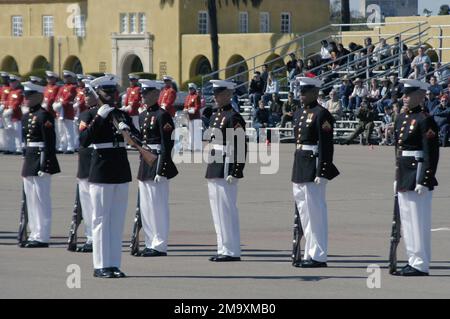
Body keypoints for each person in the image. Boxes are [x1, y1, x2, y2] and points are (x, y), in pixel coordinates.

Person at [80, 75, 139, 278]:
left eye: (114, 91)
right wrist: (100, 117)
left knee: (116, 220)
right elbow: (84, 140)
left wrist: (128, 130)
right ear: (98, 94)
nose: (113, 95)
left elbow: (138, 137)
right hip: (102, 170)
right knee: (101, 219)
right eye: (108, 92)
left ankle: (113, 263)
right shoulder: (90, 115)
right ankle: (100, 265)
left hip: (120, 170)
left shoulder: (121, 115)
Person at [392, 79, 439, 276]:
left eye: (408, 94)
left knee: (418, 220)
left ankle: (420, 263)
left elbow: (431, 152)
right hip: (404, 172)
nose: (404, 97)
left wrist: (425, 179)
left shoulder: (424, 119)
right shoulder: (402, 118)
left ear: (420, 96)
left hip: (417, 173)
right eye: (403, 94)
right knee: (408, 220)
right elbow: (398, 149)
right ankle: (413, 259)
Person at [291, 77, 339, 268]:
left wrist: (323, 171)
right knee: (305, 213)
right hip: (300, 165)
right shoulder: (299, 113)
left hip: (314, 167)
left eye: (305, 91)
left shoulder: (322, 114)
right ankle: (309, 252)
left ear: (315, 92)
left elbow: (326, 146)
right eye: (300, 91)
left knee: (315, 213)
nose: (301, 95)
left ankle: (318, 255)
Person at [136, 79, 178, 257]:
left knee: (158, 206)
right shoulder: (143, 115)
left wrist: (162, 169)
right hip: (146, 162)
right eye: (142, 94)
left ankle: (159, 244)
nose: (143, 97)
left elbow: (167, 145)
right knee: (146, 206)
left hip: (158, 162)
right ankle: (149, 241)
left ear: (155, 94)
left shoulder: (163, 115)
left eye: (146, 93)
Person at [206, 80, 246, 262]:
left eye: (219, 94)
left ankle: (231, 250)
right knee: (217, 210)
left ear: (228, 95)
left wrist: (237, 170)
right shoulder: (216, 115)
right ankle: (223, 247)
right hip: (215, 163)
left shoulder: (233, 117)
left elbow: (240, 145)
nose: (215, 97)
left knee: (227, 209)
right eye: (215, 94)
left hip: (226, 165)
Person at [21, 81, 60, 248]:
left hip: (41, 159)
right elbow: (25, 141)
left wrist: (46, 164)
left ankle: (42, 236)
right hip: (30, 159)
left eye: (29, 96)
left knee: (41, 199)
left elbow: (49, 143)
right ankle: (34, 233)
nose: (26, 99)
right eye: (25, 96)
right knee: (31, 199)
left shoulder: (44, 115)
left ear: (39, 97)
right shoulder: (27, 116)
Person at [72, 80, 99, 253]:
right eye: (85, 94)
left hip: (93, 162)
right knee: (87, 203)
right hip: (85, 162)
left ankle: (93, 237)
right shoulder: (86, 114)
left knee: (93, 204)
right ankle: (90, 236)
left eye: (89, 94)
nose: (86, 97)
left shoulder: (93, 115)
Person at [53, 70, 77, 154]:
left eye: (67, 77)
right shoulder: (62, 88)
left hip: (67, 111)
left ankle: (70, 147)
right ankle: (62, 146)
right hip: (60, 111)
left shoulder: (72, 87)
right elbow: (57, 97)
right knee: (61, 131)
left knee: (69, 131)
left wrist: (61, 103)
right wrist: (56, 104)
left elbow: (69, 97)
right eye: (64, 77)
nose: (65, 79)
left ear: (70, 78)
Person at [2, 74, 23, 154]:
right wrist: (5, 108)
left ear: (17, 82)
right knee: (9, 132)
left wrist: (11, 109)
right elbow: (7, 101)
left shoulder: (19, 91)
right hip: (8, 116)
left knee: (17, 133)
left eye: (13, 82)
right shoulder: (11, 92)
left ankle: (18, 148)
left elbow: (17, 102)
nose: (11, 84)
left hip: (15, 115)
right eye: (10, 82)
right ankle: (11, 148)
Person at [183, 83, 202, 152]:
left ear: (194, 89)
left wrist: (189, 110)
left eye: (191, 88)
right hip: (189, 117)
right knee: (190, 132)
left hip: (195, 117)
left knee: (196, 133)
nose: (190, 90)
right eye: (189, 88)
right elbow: (185, 105)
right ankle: (190, 147)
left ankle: (197, 147)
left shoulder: (196, 96)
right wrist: (185, 109)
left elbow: (198, 107)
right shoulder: (188, 97)